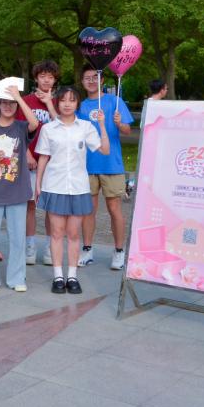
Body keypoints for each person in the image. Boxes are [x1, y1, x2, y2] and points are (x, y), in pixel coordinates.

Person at [34, 86, 109, 295]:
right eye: (63, 100)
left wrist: (102, 125)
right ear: (57, 103)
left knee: (74, 233)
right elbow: (43, 157)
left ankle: (72, 276)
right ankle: (58, 276)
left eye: (72, 100)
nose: (67, 104)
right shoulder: (49, 129)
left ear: (77, 104)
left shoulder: (86, 127)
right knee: (57, 232)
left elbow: (105, 150)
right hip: (54, 185)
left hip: (78, 187)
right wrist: (38, 184)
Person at [0, 86, 39, 292]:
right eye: (4, 102)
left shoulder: (21, 127)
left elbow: (35, 123)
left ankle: (17, 278)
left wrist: (18, 98)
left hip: (17, 191)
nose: (8, 106)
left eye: (11, 103)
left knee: (18, 238)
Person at [79, 67, 134, 270]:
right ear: (82, 81)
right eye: (87, 78)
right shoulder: (80, 105)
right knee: (88, 210)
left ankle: (119, 251)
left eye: (95, 77)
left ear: (101, 80)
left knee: (114, 209)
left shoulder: (115, 101)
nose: (91, 81)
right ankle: (87, 250)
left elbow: (127, 131)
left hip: (111, 164)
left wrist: (119, 124)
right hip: (87, 165)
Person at [15, 60, 61, 266]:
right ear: (36, 78)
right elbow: (18, 130)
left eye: (50, 77)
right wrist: (26, 154)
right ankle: (30, 246)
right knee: (30, 205)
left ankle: (51, 247)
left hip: (54, 163)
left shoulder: (61, 101)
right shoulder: (26, 101)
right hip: (31, 161)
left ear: (55, 80)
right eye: (43, 76)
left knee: (52, 208)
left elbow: (63, 127)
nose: (46, 80)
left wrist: (50, 103)